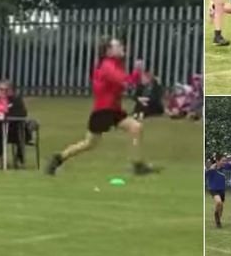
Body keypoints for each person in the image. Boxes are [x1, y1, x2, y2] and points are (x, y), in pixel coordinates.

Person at [46, 38, 157, 176]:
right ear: (108, 51)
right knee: (90, 143)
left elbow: (125, 84)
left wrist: (136, 74)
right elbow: (125, 82)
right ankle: (58, 158)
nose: (122, 47)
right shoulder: (107, 66)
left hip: (113, 110)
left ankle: (137, 164)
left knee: (135, 128)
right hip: (104, 111)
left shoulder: (114, 64)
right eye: (118, 45)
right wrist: (136, 72)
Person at [206, 155, 228, 228]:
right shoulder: (212, 169)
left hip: (222, 189)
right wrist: (210, 169)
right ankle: (217, 218)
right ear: (217, 161)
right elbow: (205, 175)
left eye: (225, 160)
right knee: (218, 202)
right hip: (213, 189)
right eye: (223, 160)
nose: (224, 162)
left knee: (221, 206)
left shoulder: (224, 168)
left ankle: (218, 219)